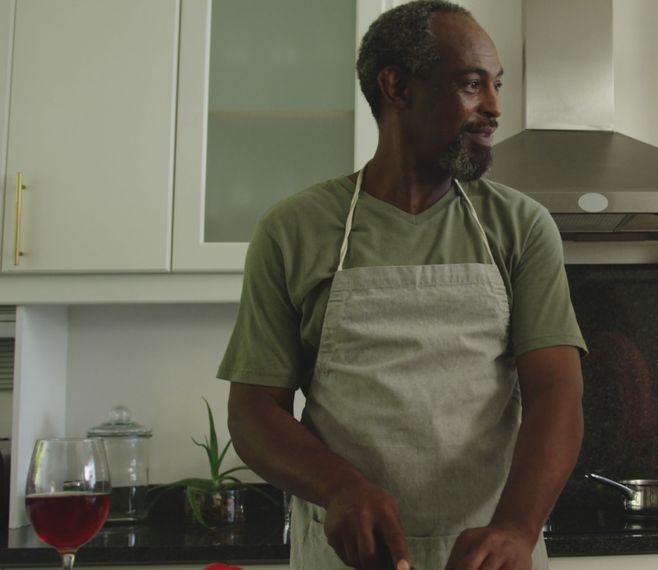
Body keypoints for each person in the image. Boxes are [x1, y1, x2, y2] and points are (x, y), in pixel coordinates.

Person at [216, 2, 586, 569]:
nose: (494, 107)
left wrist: (517, 526)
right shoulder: (295, 229)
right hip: (346, 555)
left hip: (488, 552)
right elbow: (253, 410)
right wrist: (340, 487)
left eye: (496, 85)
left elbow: (555, 393)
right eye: (471, 84)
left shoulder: (520, 226)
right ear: (396, 86)